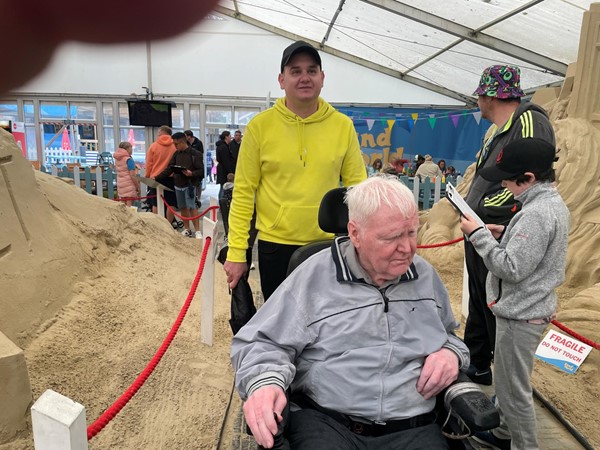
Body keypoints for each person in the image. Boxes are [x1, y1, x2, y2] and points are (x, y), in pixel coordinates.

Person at [231, 176, 469, 450]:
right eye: (391, 237)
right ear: (355, 233)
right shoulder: (313, 277)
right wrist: (265, 383)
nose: (407, 248)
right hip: (329, 424)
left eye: (412, 232)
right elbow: (261, 342)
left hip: (414, 425)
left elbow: (449, 336)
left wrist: (451, 353)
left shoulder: (424, 276)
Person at [224, 41, 366, 300]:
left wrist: (364, 245)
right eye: (295, 71)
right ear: (281, 79)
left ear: (322, 78)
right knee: (280, 329)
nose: (304, 78)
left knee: (328, 327)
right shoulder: (260, 127)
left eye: (312, 71)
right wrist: (236, 252)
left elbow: (358, 190)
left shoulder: (342, 126)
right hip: (275, 246)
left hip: (329, 246)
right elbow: (243, 193)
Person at [459, 138, 569, 450]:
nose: (504, 184)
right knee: (509, 385)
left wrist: (479, 235)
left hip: (521, 316)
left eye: (508, 178)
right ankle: (503, 433)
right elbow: (531, 252)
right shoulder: (548, 205)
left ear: (529, 178)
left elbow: (511, 268)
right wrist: (504, 234)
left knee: (512, 392)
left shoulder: (536, 214)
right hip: (529, 309)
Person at [463, 64, 555, 386]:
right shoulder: (497, 129)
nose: (477, 101)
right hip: (482, 225)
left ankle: (501, 384)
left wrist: (489, 209)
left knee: (496, 298)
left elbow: (529, 174)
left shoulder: (530, 120)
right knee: (478, 294)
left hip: (501, 225)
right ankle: (477, 360)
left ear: (491, 95)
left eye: (480, 95)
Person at [157, 132, 204, 239]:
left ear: (183, 142)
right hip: (178, 185)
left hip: (190, 185)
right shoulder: (176, 154)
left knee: (192, 207)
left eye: (176, 144)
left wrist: (192, 173)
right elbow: (170, 168)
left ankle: (197, 230)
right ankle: (187, 229)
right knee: (183, 207)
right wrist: (157, 177)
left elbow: (201, 171)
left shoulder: (195, 154)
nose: (175, 146)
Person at [145, 125, 178, 226]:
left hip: (155, 177)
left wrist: (147, 175)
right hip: (171, 177)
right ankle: (169, 225)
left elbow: (149, 163)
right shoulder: (175, 146)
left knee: (155, 202)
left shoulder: (154, 146)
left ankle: (157, 225)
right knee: (171, 203)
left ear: (161, 133)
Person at [113, 141, 140, 207]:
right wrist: (137, 187)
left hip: (120, 184)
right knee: (129, 206)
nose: (132, 150)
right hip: (129, 184)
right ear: (127, 149)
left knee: (122, 205)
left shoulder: (117, 159)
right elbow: (132, 175)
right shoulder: (129, 160)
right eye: (131, 148)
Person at [216, 130, 234, 199]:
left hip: (222, 169)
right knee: (223, 188)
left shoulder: (222, 146)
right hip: (224, 171)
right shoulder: (223, 147)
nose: (231, 138)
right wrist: (230, 171)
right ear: (226, 137)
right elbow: (226, 161)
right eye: (230, 136)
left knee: (222, 187)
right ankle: (222, 204)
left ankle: (221, 203)